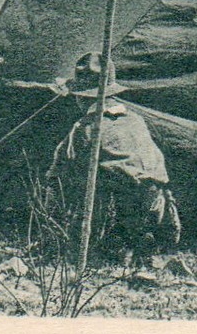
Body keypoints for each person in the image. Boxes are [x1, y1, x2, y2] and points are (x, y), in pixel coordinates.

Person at [52, 53, 182, 265]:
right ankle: (140, 246)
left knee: (79, 183)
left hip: (120, 204)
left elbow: (61, 168)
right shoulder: (135, 120)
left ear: (82, 97)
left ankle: (99, 247)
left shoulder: (85, 127)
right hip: (157, 203)